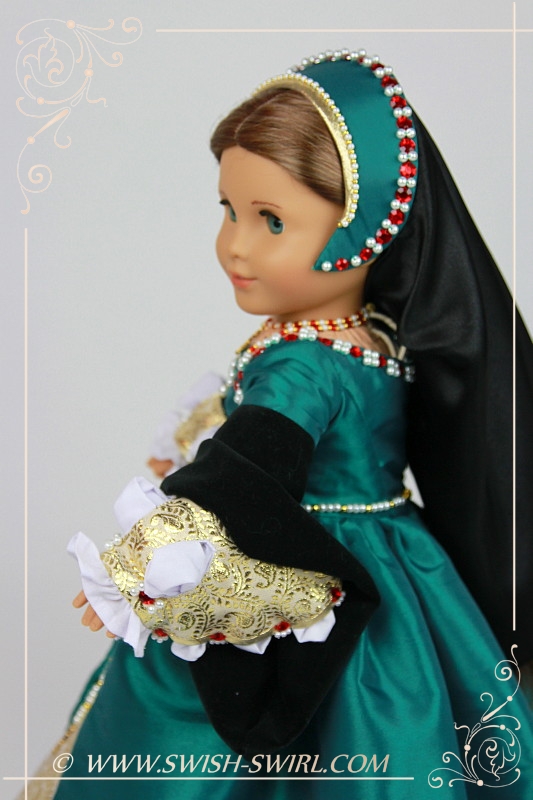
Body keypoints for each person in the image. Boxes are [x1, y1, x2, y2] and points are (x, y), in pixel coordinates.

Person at [31, 48, 533, 799]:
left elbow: (254, 458)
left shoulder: (304, 364)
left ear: (364, 231)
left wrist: (151, 553)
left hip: (308, 572)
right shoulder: (374, 337)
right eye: (228, 210)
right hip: (399, 559)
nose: (236, 243)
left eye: (271, 221)